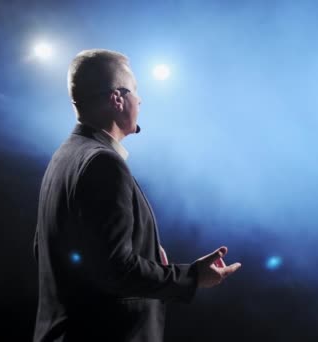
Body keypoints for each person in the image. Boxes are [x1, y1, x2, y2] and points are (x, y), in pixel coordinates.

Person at [32, 49, 241, 342]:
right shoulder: (103, 164)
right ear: (117, 98)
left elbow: (57, 253)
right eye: (135, 90)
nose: (140, 100)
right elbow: (115, 269)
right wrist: (191, 278)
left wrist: (150, 263)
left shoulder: (63, 158)